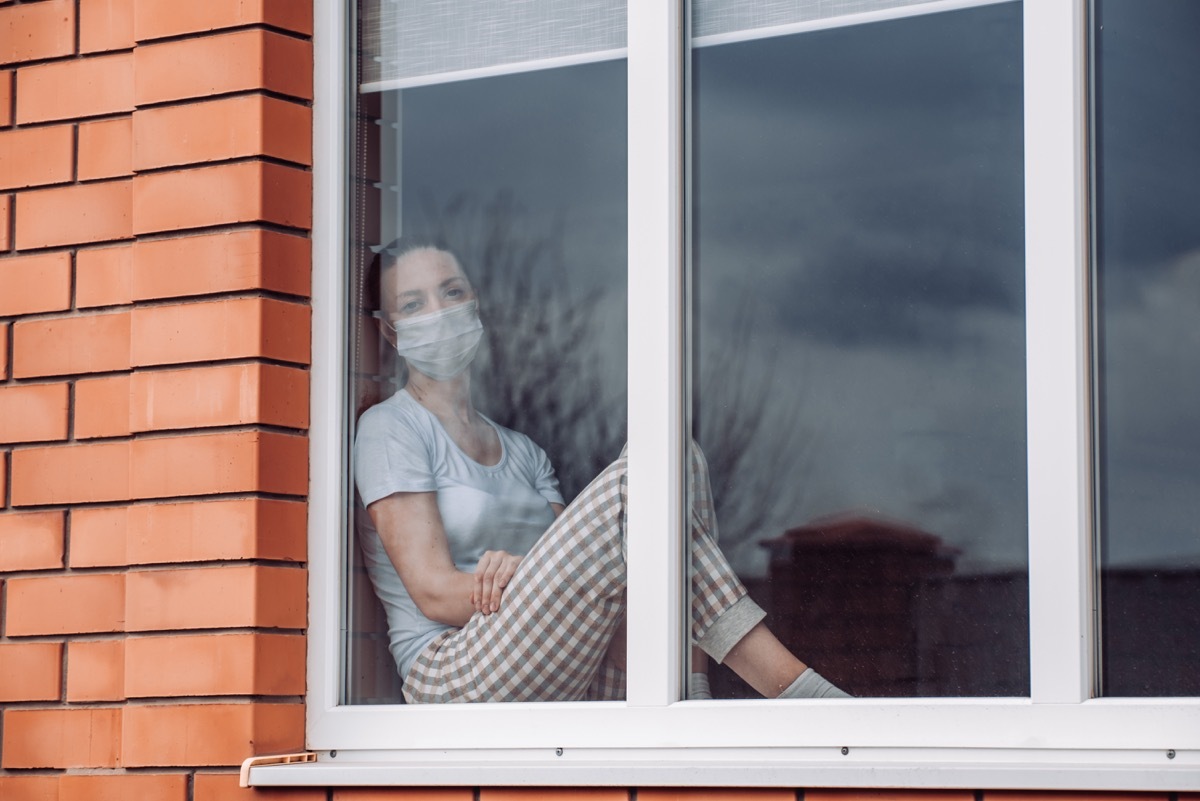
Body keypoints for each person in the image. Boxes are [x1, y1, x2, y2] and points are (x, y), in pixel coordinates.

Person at [353, 241, 850, 703]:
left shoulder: (523, 451)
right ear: (390, 330)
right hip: (452, 669)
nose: (440, 312)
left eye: (452, 292)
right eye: (414, 304)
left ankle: (691, 697)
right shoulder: (390, 429)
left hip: (560, 661)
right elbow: (436, 594)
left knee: (675, 457)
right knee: (631, 486)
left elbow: (596, 566)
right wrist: (527, 581)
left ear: (474, 302)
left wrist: (527, 578)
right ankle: (801, 696)